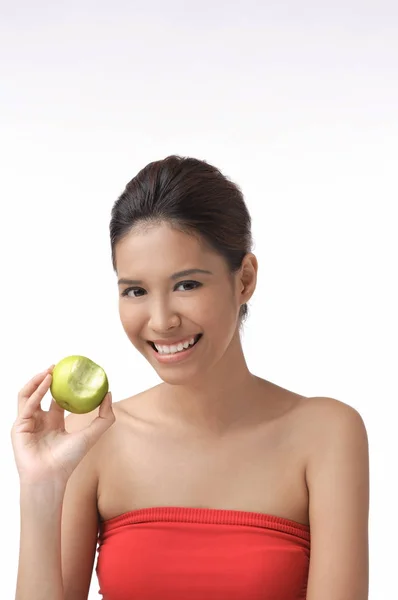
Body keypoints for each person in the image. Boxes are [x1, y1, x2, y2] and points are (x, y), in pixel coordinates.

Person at [11, 155, 370, 600]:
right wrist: (42, 486)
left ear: (244, 280)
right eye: (136, 291)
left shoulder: (326, 432)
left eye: (187, 285)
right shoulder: (92, 437)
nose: (161, 321)